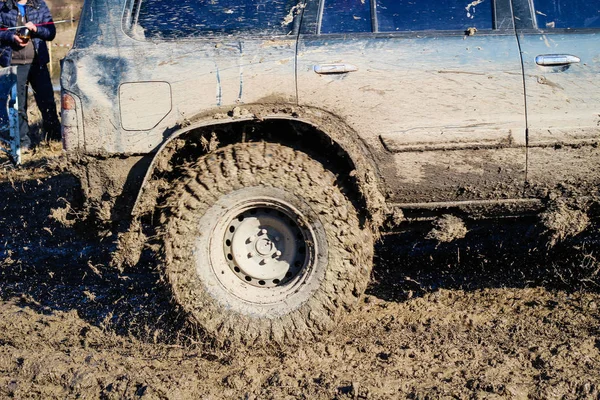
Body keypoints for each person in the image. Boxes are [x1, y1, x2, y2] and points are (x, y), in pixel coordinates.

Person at [0, 0, 60, 150]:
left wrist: (36, 30)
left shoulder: (40, 5)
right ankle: (24, 143)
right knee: (18, 105)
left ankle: (55, 138)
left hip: (37, 62)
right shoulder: (3, 6)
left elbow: (51, 32)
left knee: (47, 102)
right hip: (14, 63)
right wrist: (11, 37)